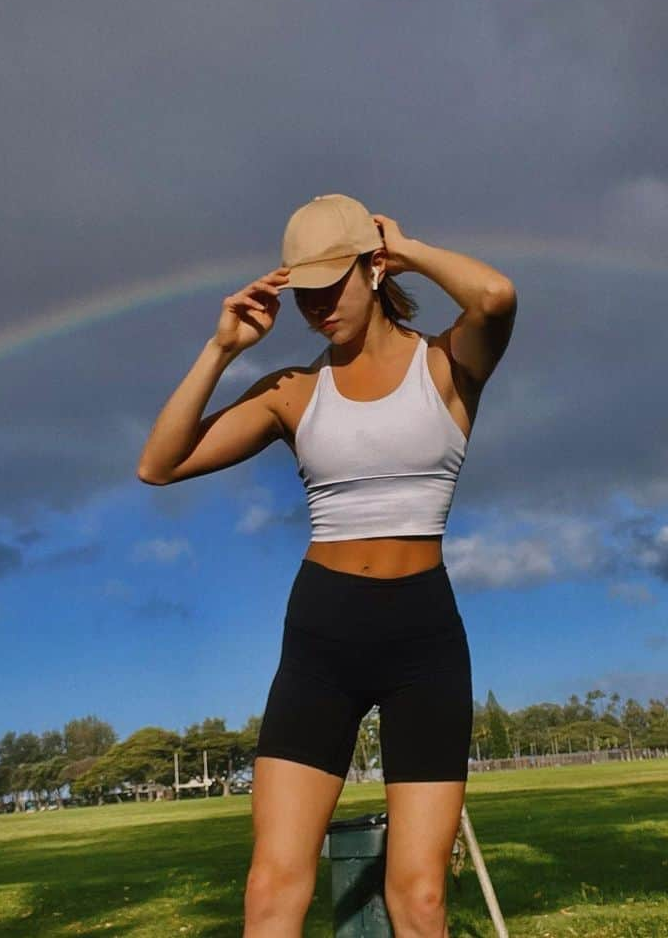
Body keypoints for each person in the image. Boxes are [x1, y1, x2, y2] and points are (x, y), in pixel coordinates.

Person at [137, 193, 516, 937]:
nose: (315, 307)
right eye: (301, 292)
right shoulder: (292, 391)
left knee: (421, 898)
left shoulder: (446, 365)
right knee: (273, 886)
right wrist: (222, 349)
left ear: (373, 269)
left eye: (329, 285)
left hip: (425, 641)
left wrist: (408, 249)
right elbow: (160, 464)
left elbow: (496, 295)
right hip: (322, 638)